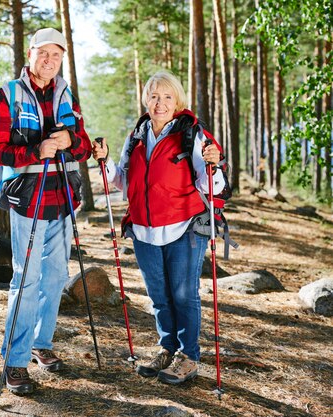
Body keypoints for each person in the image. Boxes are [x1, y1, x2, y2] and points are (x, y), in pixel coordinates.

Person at [91, 70, 224, 385]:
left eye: (167, 96)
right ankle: (168, 348)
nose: (160, 103)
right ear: (145, 100)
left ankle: (188, 357)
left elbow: (211, 186)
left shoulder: (191, 133)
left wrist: (214, 163)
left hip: (185, 227)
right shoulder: (137, 134)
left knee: (183, 295)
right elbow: (123, 181)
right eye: (154, 96)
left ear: (177, 101)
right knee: (159, 297)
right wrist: (105, 162)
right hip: (144, 230)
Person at [0, 27, 92, 395]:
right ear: (29, 54)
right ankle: (14, 362)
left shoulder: (66, 94)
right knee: (26, 279)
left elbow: (83, 148)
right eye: (43, 53)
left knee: (55, 277)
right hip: (28, 200)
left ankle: (40, 344)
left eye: (57, 55)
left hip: (62, 197)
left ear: (63, 58)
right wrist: (35, 152)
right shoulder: (7, 95)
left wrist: (71, 141)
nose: (49, 61)